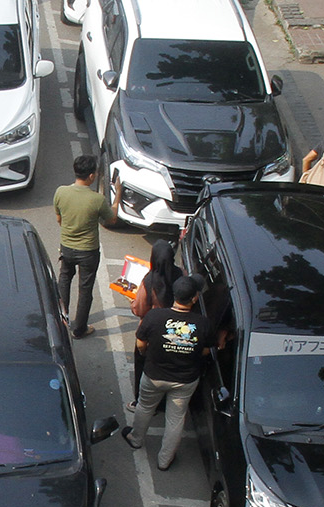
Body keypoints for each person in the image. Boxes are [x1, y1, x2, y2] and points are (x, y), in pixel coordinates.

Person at [122, 277, 215, 470]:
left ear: (174, 294)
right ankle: (165, 460)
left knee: (145, 406)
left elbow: (140, 344)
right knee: (175, 419)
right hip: (185, 380)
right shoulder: (203, 323)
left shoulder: (155, 317)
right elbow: (206, 350)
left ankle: (136, 438)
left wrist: (146, 353)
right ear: (195, 298)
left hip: (154, 375)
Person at [54, 154, 123, 339]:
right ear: (91, 176)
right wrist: (117, 196)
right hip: (88, 252)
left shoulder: (60, 192)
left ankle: (61, 321)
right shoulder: (97, 200)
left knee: (64, 280)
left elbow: (59, 219)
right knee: (85, 289)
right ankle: (79, 329)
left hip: (66, 247)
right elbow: (112, 219)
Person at [127, 240, 181, 411]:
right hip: (175, 331)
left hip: (151, 333)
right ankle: (163, 404)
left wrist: (132, 301)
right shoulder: (180, 275)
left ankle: (140, 401)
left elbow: (139, 309)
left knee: (143, 366)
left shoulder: (149, 281)